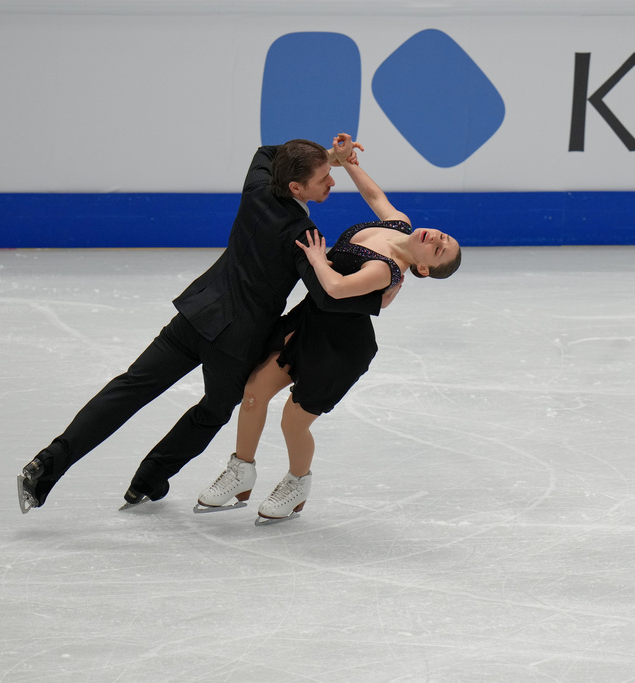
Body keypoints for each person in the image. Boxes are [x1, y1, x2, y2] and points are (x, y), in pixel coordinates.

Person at [16, 135, 385, 514]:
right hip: (237, 341)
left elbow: (266, 152)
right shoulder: (304, 236)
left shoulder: (259, 187)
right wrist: (382, 286)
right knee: (212, 410)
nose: (332, 181)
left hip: (197, 314)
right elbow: (327, 298)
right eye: (324, 176)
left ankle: (48, 463)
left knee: (130, 388)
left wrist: (328, 155)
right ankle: (150, 477)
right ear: (296, 187)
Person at [195, 143, 461, 523]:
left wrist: (319, 258)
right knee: (254, 393)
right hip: (309, 321)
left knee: (293, 420)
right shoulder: (397, 223)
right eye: (443, 238)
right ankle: (241, 470)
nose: (435, 239)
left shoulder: (390, 270)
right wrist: (350, 163)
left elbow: (335, 288)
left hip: (341, 347)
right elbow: (375, 195)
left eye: (439, 251)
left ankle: (298, 482)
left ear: (422, 270)